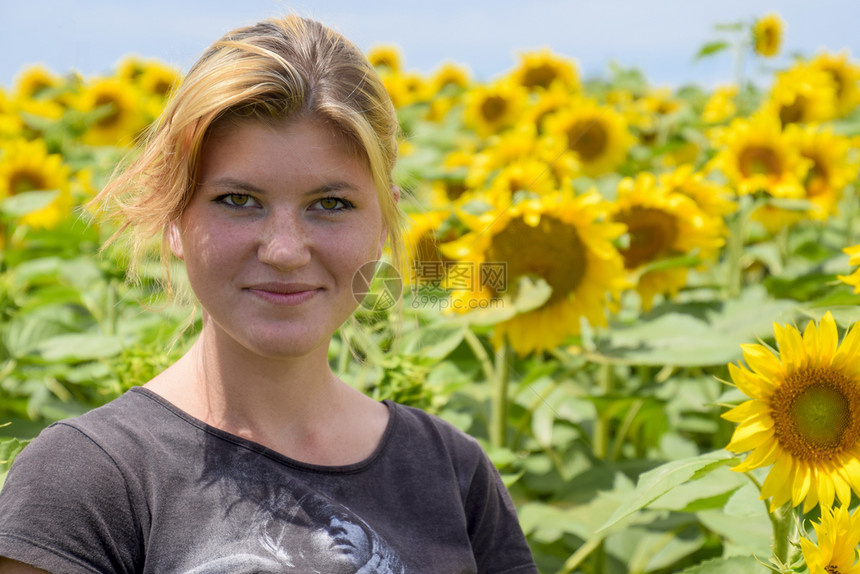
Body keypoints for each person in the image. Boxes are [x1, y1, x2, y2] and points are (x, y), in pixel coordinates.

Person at [0, 14, 538, 574]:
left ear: (384, 223)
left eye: (330, 204)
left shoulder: (451, 473)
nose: (285, 250)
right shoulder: (86, 481)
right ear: (174, 217)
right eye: (238, 200)